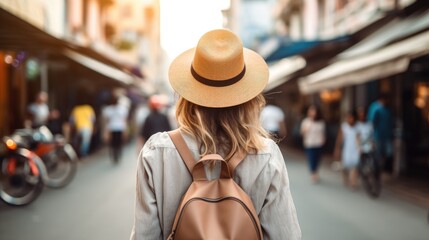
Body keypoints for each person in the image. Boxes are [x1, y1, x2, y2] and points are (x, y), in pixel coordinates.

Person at [130, 29, 301, 240]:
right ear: (248, 99)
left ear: (188, 96)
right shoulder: (266, 155)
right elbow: (285, 235)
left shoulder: (156, 152)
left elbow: (144, 236)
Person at [367, 94, 393, 172]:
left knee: (388, 152)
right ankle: (377, 167)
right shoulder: (376, 108)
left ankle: (381, 166)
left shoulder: (386, 109)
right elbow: (372, 122)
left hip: (386, 135)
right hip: (378, 135)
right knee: (378, 153)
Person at [334, 111, 360, 189]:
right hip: (346, 149)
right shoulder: (344, 127)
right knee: (345, 166)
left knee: (355, 165)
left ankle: (353, 182)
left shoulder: (357, 127)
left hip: (355, 149)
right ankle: (346, 179)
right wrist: (337, 149)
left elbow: (359, 138)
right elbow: (339, 139)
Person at [300, 105, 325, 183]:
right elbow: (302, 132)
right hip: (309, 143)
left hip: (318, 143)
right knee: (311, 159)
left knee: (317, 159)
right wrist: (307, 127)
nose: (312, 112)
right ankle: (313, 173)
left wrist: (323, 139)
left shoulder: (321, 122)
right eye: (310, 111)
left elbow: (322, 133)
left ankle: (315, 171)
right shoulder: (306, 121)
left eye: (313, 111)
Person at [102, 96, 129, 163]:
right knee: (114, 143)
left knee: (116, 143)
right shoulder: (110, 110)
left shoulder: (121, 109)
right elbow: (124, 121)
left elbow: (124, 120)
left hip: (117, 128)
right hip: (114, 129)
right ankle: (115, 155)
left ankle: (116, 155)